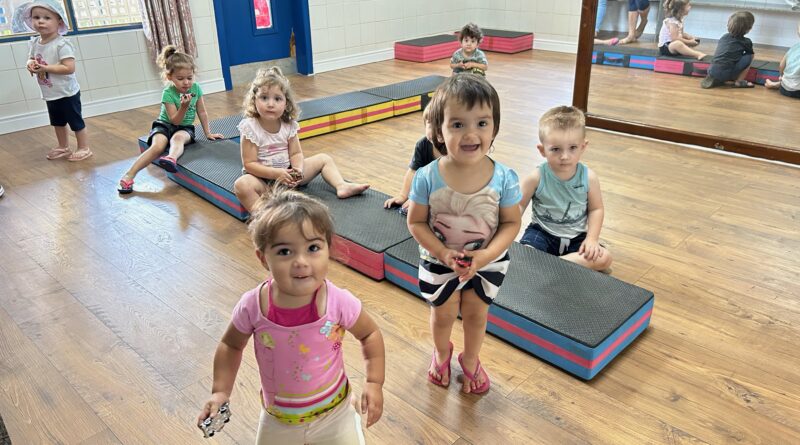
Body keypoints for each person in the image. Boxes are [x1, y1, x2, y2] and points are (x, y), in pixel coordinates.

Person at [196, 187, 385, 443]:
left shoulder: (338, 301)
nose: (301, 261)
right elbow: (230, 344)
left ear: (328, 249)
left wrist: (374, 383)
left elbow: (370, 333)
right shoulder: (253, 306)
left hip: (335, 413)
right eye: (285, 251)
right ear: (263, 258)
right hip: (278, 418)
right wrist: (220, 391)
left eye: (313, 248)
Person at [406, 74, 521, 394]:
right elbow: (416, 223)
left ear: (494, 127)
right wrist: (443, 253)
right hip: (439, 262)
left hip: (486, 262)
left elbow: (511, 223)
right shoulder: (427, 177)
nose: (471, 133)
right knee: (442, 315)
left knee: (475, 315)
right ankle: (442, 352)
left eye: (482, 123)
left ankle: (470, 359)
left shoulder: (504, 178)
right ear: (438, 131)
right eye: (457, 125)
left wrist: (484, 255)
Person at [233, 67, 369, 212]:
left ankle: (341, 185)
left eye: (277, 99)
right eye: (264, 98)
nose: (270, 104)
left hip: (288, 177)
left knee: (324, 159)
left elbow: (295, 153)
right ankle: (264, 215)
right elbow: (249, 164)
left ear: (286, 103)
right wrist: (276, 174)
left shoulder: (289, 126)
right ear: (254, 100)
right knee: (242, 185)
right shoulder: (250, 128)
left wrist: (297, 170)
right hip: (263, 181)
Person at [519, 106, 612, 273]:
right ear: (542, 150)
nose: (565, 156)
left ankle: (551, 264)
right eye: (555, 149)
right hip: (542, 233)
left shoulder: (589, 177)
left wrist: (592, 239)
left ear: (583, 147)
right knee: (526, 254)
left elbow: (596, 209)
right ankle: (561, 265)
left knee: (604, 258)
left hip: (577, 237)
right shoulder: (536, 177)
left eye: (573, 148)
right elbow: (517, 207)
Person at [117, 46, 222, 193]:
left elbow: (202, 112)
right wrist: (184, 107)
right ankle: (129, 175)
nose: (186, 82)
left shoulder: (196, 89)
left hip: (185, 128)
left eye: (189, 78)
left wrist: (208, 133)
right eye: (180, 79)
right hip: (165, 125)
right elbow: (174, 121)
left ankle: (171, 158)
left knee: (177, 139)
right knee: (157, 146)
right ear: (169, 77)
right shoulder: (167, 93)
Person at [23, 0, 92, 162]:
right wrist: (30, 65)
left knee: (75, 121)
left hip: (67, 91)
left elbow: (69, 67)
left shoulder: (62, 44)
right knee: (57, 122)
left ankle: (84, 148)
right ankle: (63, 146)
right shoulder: (35, 42)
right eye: (36, 17)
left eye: (47, 18)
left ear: (59, 22)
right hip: (50, 92)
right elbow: (31, 58)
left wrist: (45, 68)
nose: (40, 21)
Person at [383, 105, 442, 213]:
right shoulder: (422, 145)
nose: (435, 131)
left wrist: (420, 201)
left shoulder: (456, 149)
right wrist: (403, 196)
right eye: (430, 125)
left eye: (441, 125)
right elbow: (413, 172)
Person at [701, 11, 756, 89]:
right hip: (726, 74)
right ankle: (739, 81)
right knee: (750, 55)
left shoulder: (724, 37)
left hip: (711, 70)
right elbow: (749, 55)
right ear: (749, 28)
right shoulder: (747, 42)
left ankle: (716, 77)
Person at [765, 23, 800, 98]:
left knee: (791, 79)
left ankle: (776, 84)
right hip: (798, 92)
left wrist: (781, 76)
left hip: (784, 89)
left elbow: (781, 65)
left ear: (798, 32)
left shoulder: (793, 48)